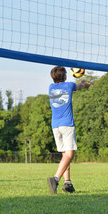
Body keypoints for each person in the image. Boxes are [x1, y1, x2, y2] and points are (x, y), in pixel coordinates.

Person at [47, 66, 78, 194]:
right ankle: (55, 179)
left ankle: (68, 183)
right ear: (65, 76)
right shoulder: (69, 86)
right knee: (69, 155)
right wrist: (85, 84)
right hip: (67, 124)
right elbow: (79, 86)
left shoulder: (50, 87)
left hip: (55, 125)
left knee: (65, 155)